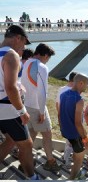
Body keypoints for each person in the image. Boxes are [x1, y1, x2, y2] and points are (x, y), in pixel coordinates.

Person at [0, 25, 38, 179]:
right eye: (24, 43)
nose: (23, 47)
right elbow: (10, 87)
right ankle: (32, 177)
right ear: (18, 38)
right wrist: (22, 111)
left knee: (10, 141)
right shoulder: (12, 56)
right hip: (9, 109)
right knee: (26, 144)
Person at [21, 43, 60, 172]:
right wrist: (42, 112)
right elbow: (42, 92)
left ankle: (24, 161)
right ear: (44, 55)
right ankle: (50, 162)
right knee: (47, 135)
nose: (48, 60)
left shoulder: (26, 63)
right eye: (48, 58)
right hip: (37, 107)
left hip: (26, 105)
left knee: (31, 134)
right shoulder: (42, 67)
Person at [60, 73, 88, 179]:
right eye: (87, 84)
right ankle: (73, 177)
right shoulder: (79, 100)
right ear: (81, 83)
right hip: (75, 133)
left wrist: (61, 128)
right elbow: (78, 123)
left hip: (66, 131)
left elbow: (59, 113)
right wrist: (85, 140)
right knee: (79, 157)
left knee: (76, 152)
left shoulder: (63, 94)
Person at [56, 71, 77, 168]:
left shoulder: (61, 89)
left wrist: (60, 117)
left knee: (69, 140)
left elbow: (57, 104)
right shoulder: (73, 92)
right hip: (71, 120)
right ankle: (66, 160)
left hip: (62, 117)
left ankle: (67, 156)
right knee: (71, 140)